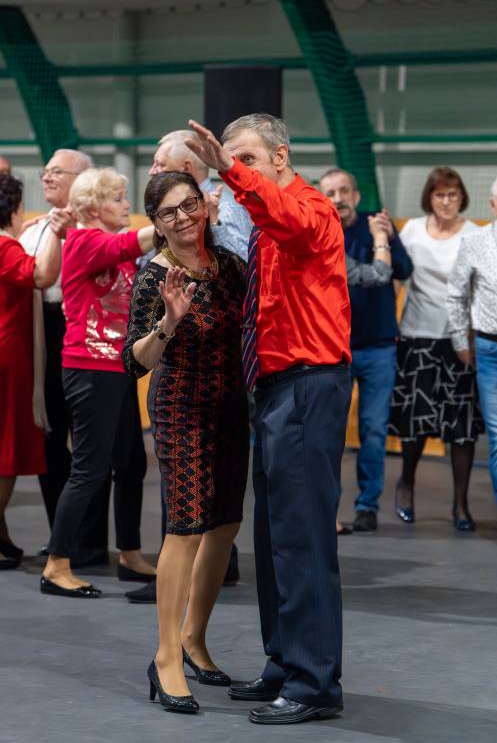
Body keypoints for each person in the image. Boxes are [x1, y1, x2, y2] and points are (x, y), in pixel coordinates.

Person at [187, 114, 351, 725]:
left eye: (249, 161)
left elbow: (288, 220)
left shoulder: (309, 208)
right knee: (275, 535)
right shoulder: (261, 221)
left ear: (281, 156)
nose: (239, 174)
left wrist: (229, 173)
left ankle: (314, 683)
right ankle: (284, 664)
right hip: (277, 387)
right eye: (233, 163)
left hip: (308, 384)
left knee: (302, 538)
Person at [123, 171, 249, 714]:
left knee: (224, 525)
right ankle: (166, 656)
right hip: (181, 408)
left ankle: (195, 638)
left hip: (231, 408)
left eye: (189, 205)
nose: (183, 217)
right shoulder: (154, 277)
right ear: (155, 223)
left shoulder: (230, 268)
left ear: (204, 206)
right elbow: (135, 360)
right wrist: (169, 324)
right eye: (170, 212)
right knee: (186, 529)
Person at [40, 168, 156, 598]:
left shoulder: (113, 248)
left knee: (130, 464)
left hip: (118, 367)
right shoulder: (87, 240)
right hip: (90, 368)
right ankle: (56, 564)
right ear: (92, 207)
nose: (126, 205)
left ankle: (129, 553)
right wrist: (168, 220)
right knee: (89, 469)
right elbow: (129, 242)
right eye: (118, 199)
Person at [319, 169, 413, 533]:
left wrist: (386, 238)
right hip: (332, 349)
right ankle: (329, 509)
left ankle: (367, 505)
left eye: (344, 191)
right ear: (322, 197)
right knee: (330, 432)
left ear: (356, 196)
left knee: (374, 430)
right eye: (330, 192)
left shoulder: (377, 226)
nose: (338, 198)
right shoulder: (319, 232)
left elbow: (403, 269)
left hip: (377, 348)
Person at [389, 166, 482, 531]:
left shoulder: (477, 234)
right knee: (415, 423)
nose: (447, 201)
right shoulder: (411, 229)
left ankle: (460, 504)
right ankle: (406, 483)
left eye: (454, 195)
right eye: (440, 194)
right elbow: (398, 279)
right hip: (416, 336)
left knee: (461, 427)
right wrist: (390, 326)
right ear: (429, 197)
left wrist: (474, 335)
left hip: (461, 341)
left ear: (463, 198)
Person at [20, 149, 96, 555]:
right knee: (49, 437)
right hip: (42, 334)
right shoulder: (33, 229)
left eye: (56, 171)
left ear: (81, 179)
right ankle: (62, 537)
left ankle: (88, 540)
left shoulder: (92, 227)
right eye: (45, 171)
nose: (46, 177)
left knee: (87, 443)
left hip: (80, 333)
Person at [0, 174, 62, 568]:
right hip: (8, 355)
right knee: (5, 452)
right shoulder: (5, 248)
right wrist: (55, 231)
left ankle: (2, 535)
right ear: (15, 208)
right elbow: (41, 275)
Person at [447, 174, 497, 516]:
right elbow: (456, 292)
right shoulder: (476, 242)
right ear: (495, 205)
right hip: (490, 349)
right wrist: (459, 338)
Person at [148, 130, 252, 261]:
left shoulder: (226, 208)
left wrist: (214, 224)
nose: (151, 171)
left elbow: (245, 265)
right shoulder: (161, 206)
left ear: (186, 168)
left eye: (160, 164)